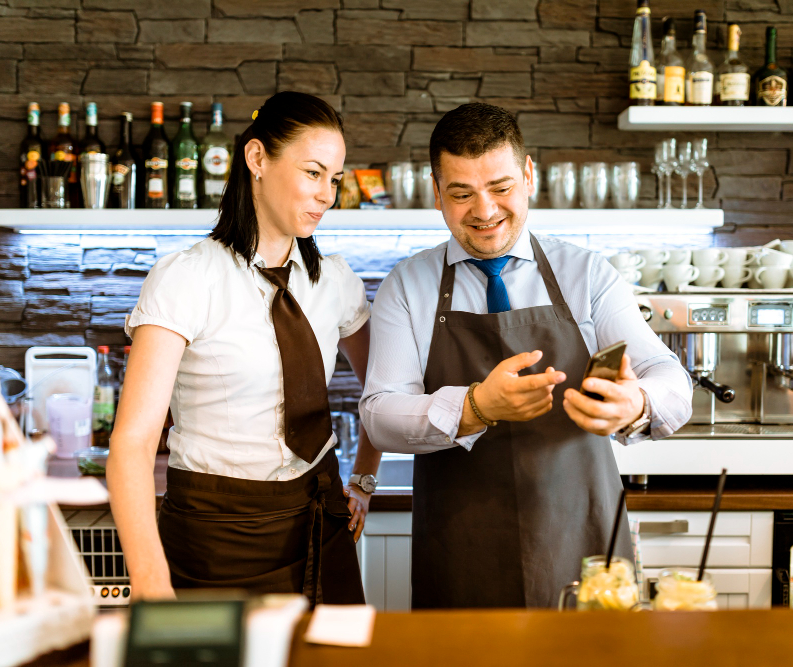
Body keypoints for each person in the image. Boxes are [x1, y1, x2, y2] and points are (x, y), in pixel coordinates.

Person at [359, 103, 693, 609]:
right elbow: (380, 413)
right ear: (436, 193)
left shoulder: (587, 274)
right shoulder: (408, 286)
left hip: (584, 536)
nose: (485, 211)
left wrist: (636, 404)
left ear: (528, 174)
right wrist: (476, 407)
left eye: (500, 187)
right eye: (461, 193)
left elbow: (668, 376)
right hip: (462, 544)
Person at [107, 92, 381, 606]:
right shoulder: (186, 279)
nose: (327, 195)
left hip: (323, 523)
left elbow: (382, 394)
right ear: (257, 159)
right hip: (217, 536)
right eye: (313, 173)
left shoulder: (336, 282)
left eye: (335, 180)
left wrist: (364, 477)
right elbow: (132, 444)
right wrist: (149, 582)